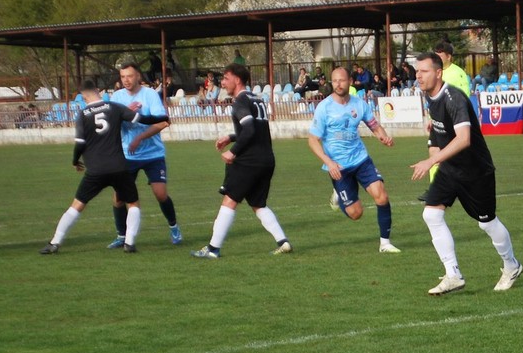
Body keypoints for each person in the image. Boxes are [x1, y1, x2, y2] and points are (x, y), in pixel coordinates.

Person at [408, 52, 522, 296]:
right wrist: (434, 157)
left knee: (487, 223)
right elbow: (438, 135)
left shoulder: (454, 97)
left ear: (438, 73)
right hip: (451, 169)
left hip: (475, 171)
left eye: (424, 71)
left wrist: (431, 162)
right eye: (417, 71)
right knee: (431, 214)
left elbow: (463, 139)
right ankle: (453, 274)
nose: (419, 76)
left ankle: (511, 265)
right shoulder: (431, 98)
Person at [39, 80, 168, 255]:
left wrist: (75, 161)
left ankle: (55, 242)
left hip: (96, 170)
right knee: (133, 203)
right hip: (119, 167)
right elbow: (143, 119)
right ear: (98, 91)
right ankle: (129, 243)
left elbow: (80, 144)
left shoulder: (83, 114)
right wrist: (163, 118)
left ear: (84, 96)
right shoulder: (114, 107)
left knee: (77, 205)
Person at [192, 63, 292, 259]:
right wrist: (231, 136)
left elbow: (250, 131)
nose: (223, 82)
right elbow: (255, 130)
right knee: (258, 203)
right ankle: (283, 242)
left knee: (229, 200)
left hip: (250, 161)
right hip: (266, 159)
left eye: (226, 78)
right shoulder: (257, 99)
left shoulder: (240, 101)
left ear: (237, 79)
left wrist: (233, 152)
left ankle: (213, 249)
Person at [308, 67, 400, 254]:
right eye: (335, 81)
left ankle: (385, 243)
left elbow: (374, 125)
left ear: (349, 81)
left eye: (342, 80)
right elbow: (312, 140)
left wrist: (383, 137)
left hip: (361, 159)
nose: (338, 84)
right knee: (356, 214)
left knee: (381, 196)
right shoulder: (324, 108)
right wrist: (329, 162)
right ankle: (338, 194)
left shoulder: (359, 104)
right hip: (338, 167)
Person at [108, 61, 182, 246]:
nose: (126, 80)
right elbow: (111, 124)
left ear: (138, 76)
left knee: (160, 194)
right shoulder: (116, 97)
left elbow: (162, 122)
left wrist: (140, 137)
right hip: (127, 155)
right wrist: (124, 114)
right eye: (123, 76)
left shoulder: (150, 95)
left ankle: (174, 228)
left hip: (153, 154)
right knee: (118, 197)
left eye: (130, 76)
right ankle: (121, 236)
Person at [418, 40, 472, 202]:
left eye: (441, 53)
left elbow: (464, 98)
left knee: (456, 154)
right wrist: (431, 118)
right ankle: (435, 187)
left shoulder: (458, 73)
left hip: (453, 123)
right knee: (433, 150)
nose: (438, 56)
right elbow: (433, 99)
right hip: (438, 120)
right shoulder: (433, 74)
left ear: (449, 56)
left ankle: (464, 184)